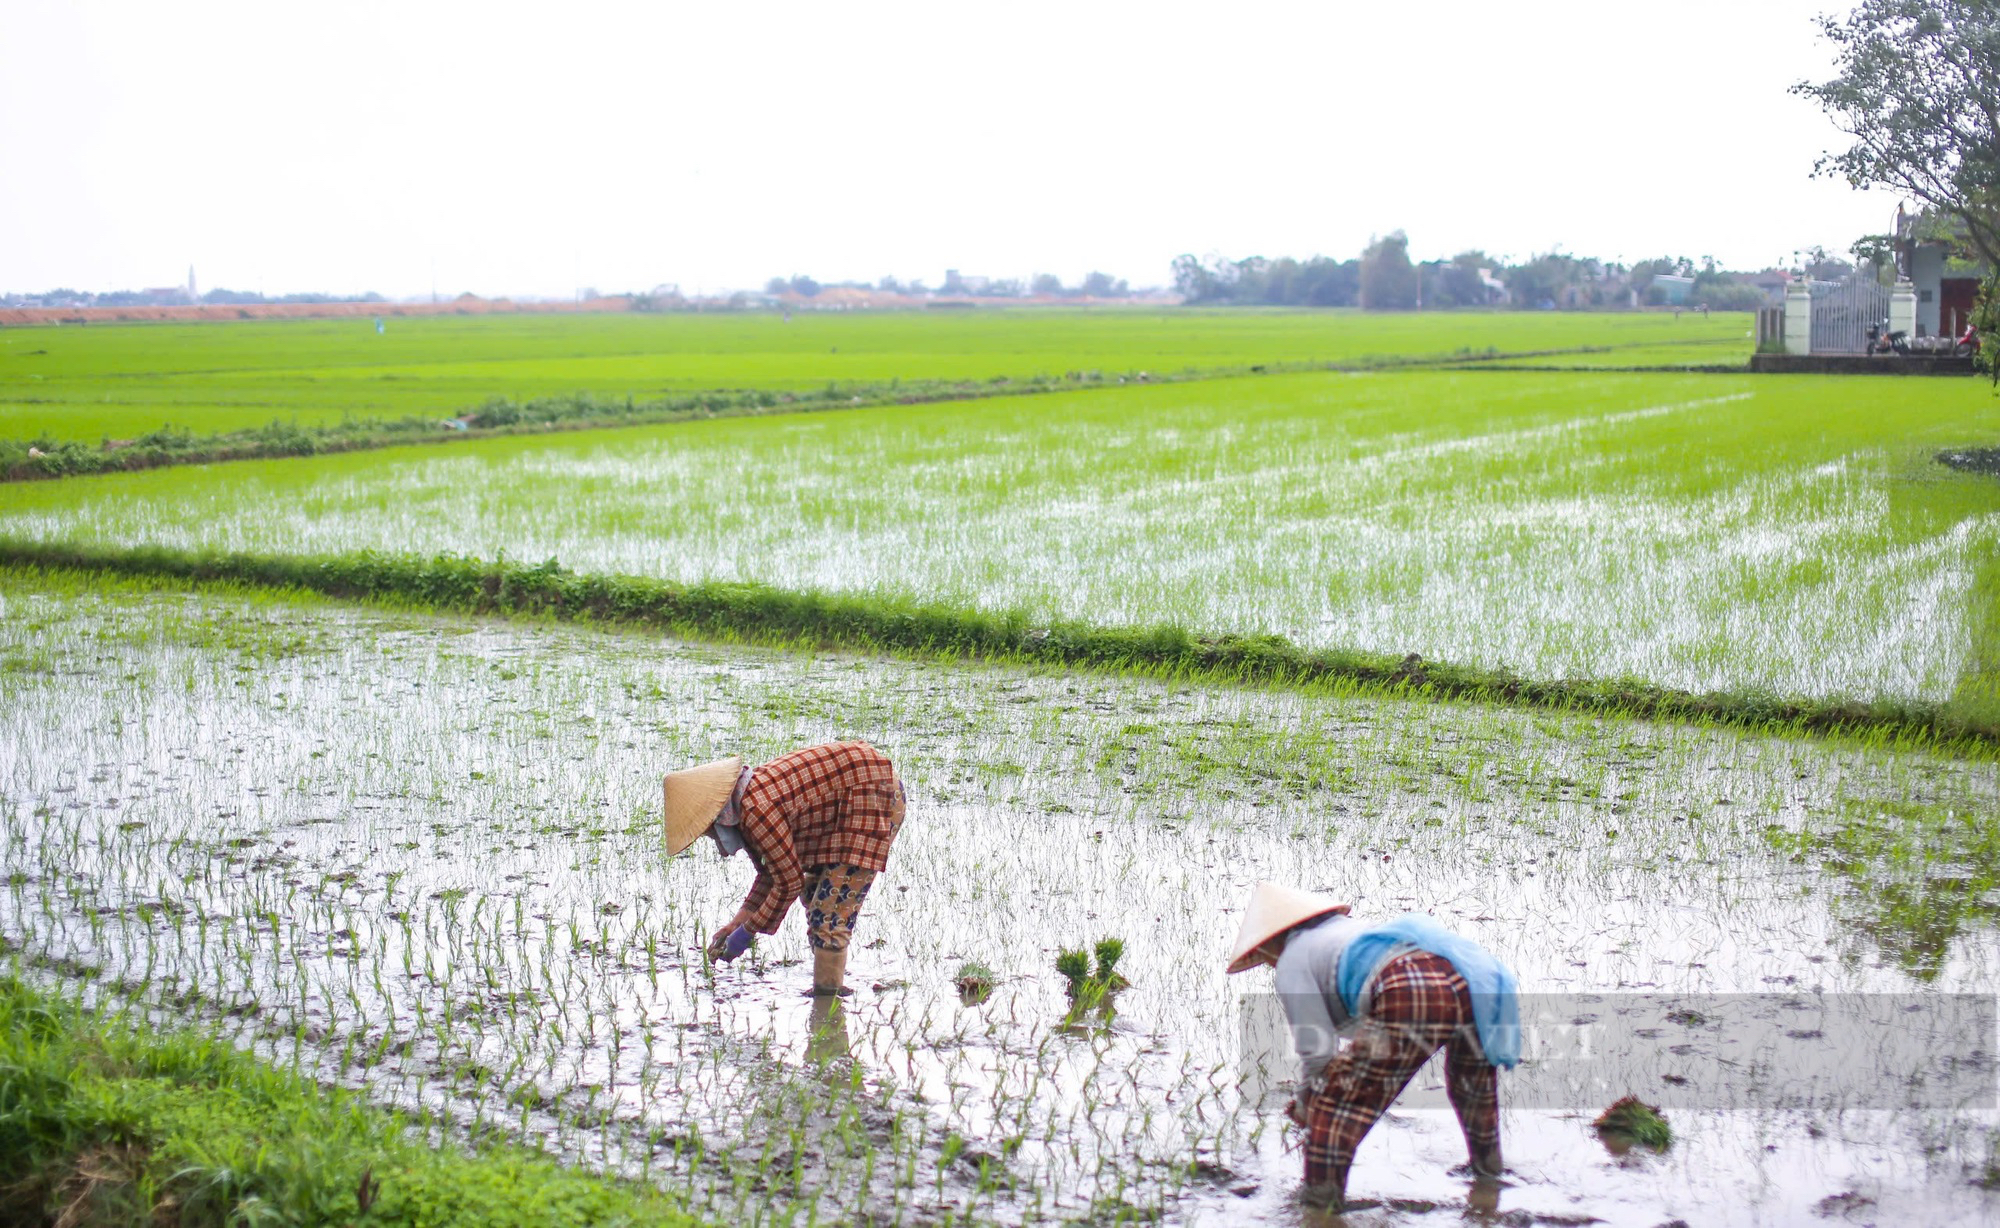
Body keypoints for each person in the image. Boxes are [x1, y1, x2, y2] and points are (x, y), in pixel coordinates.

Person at [1226, 882, 1519, 1211]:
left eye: (1264, 958)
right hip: (1477, 979)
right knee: (1472, 1089)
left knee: (1335, 1107)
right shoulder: (1348, 932)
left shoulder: (1292, 959)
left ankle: (1318, 1209)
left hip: (1413, 987)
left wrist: (1309, 1101)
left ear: (1269, 944)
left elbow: (1318, 1052)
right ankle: (1488, 1180)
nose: (1268, 965)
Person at [663, 741, 905, 996]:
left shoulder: (756, 810)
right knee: (815, 897)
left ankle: (827, 1003)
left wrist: (747, 932)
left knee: (830, 912)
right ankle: (827, 994)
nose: (712, 838)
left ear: (715, 819)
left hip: (873, 792)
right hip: (854, 794)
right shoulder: (745, 802)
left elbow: (789, 883)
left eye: (706, 832)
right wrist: (736, 923)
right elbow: (770, 873)